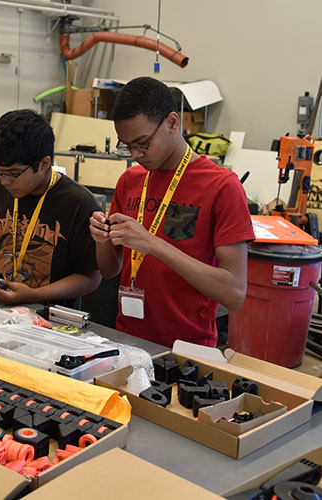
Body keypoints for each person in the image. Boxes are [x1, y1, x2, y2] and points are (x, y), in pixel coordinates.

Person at [89, 76, 254, 348]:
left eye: (142, 142)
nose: (136, 153)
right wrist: (101, 239)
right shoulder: (130, 181)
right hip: (127, 338)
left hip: (188, 347)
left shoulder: (222, 186)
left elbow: (234, 292)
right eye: (126, 145)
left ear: (173, 123)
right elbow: (109, 270)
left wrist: (153, 244)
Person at [0, 109, 102, 305]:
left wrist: (35, 295)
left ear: (44, 163)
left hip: (48, 315)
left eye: (13, 173)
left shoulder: (78, 204)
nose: (5, 181)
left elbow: (90, 278)